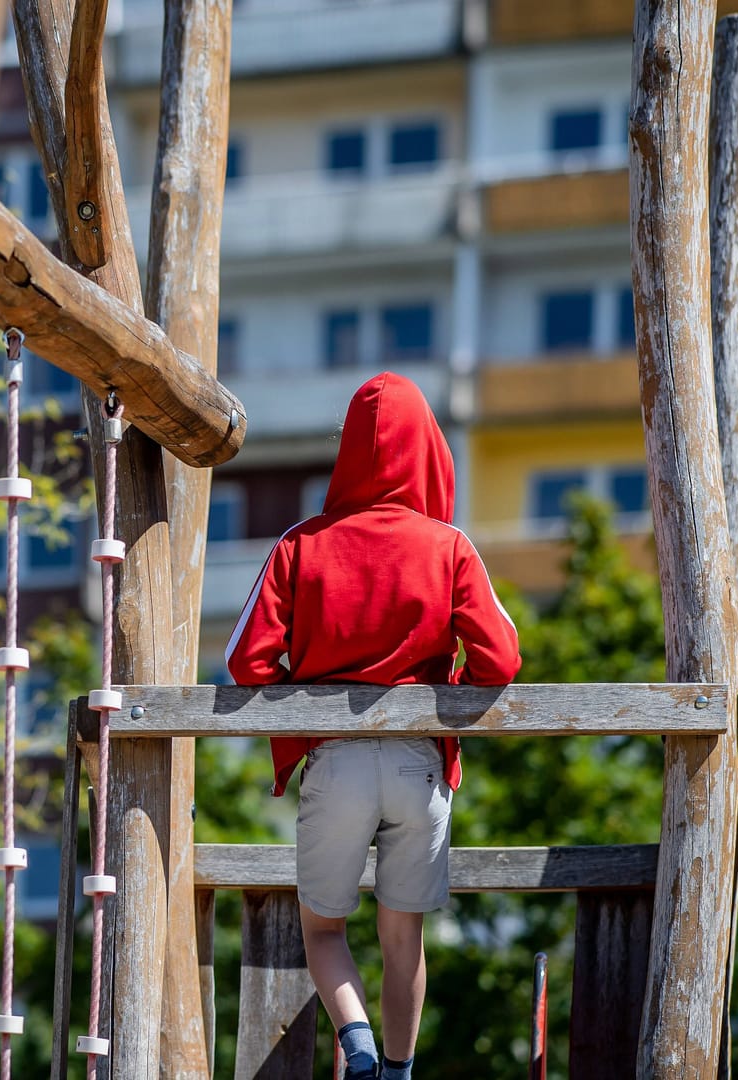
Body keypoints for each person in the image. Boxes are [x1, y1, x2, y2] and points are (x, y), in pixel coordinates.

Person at [225, 372, 521, 1080]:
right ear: (428, 449)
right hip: (418, 765)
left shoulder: (301, 545)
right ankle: (397, 1069)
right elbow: (501, 658)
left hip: (335, 765)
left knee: (324, 929)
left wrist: (314, 679)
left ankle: (353, 1042)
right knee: (402, 938)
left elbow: (246, 662)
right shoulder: (447, 545)